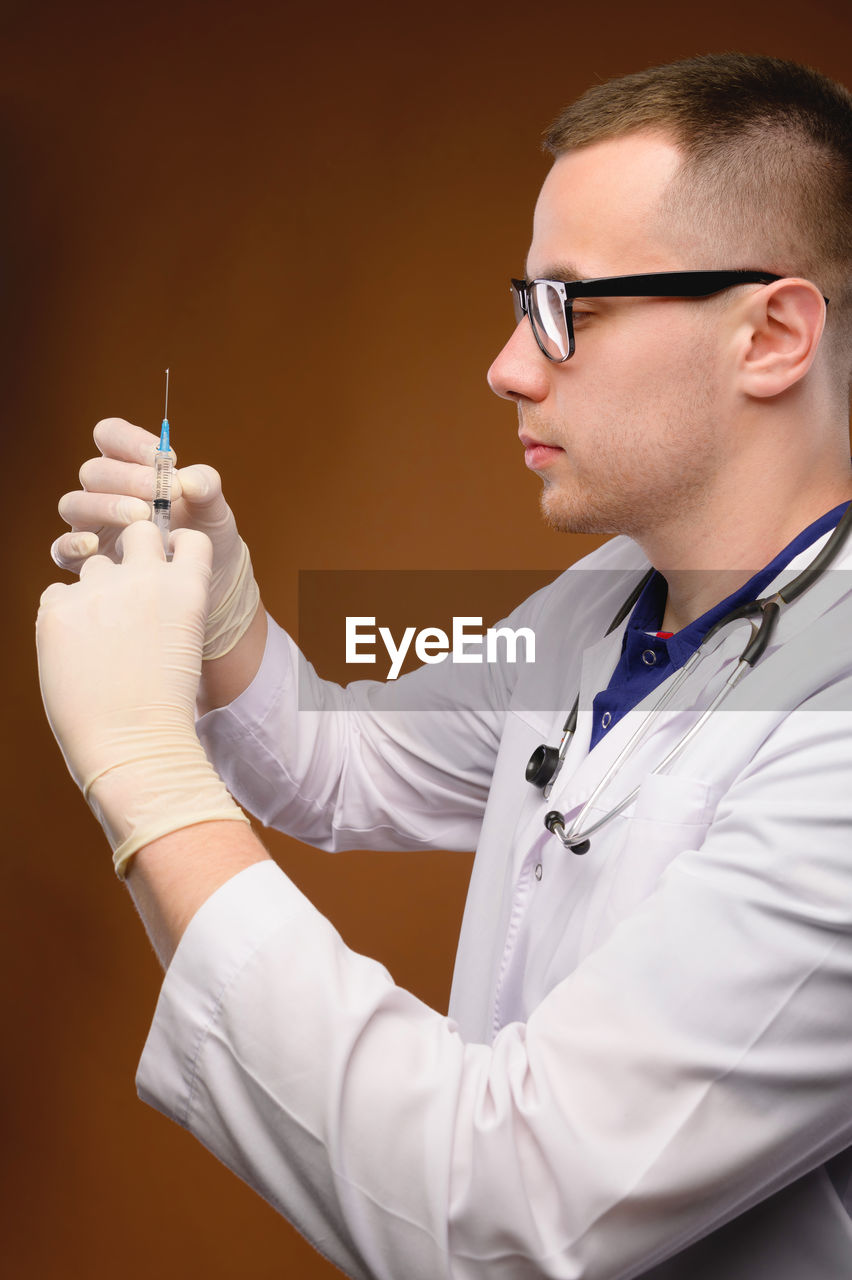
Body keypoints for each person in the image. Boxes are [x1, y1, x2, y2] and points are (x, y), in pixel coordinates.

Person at [37, 51, 852, 1280]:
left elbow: (499, 1211)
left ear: (773, 334)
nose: (510, 365)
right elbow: (344, 760)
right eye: (522, 301)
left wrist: (151, 783)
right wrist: (224, 610)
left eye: (567, 306)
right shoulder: (616, 593)